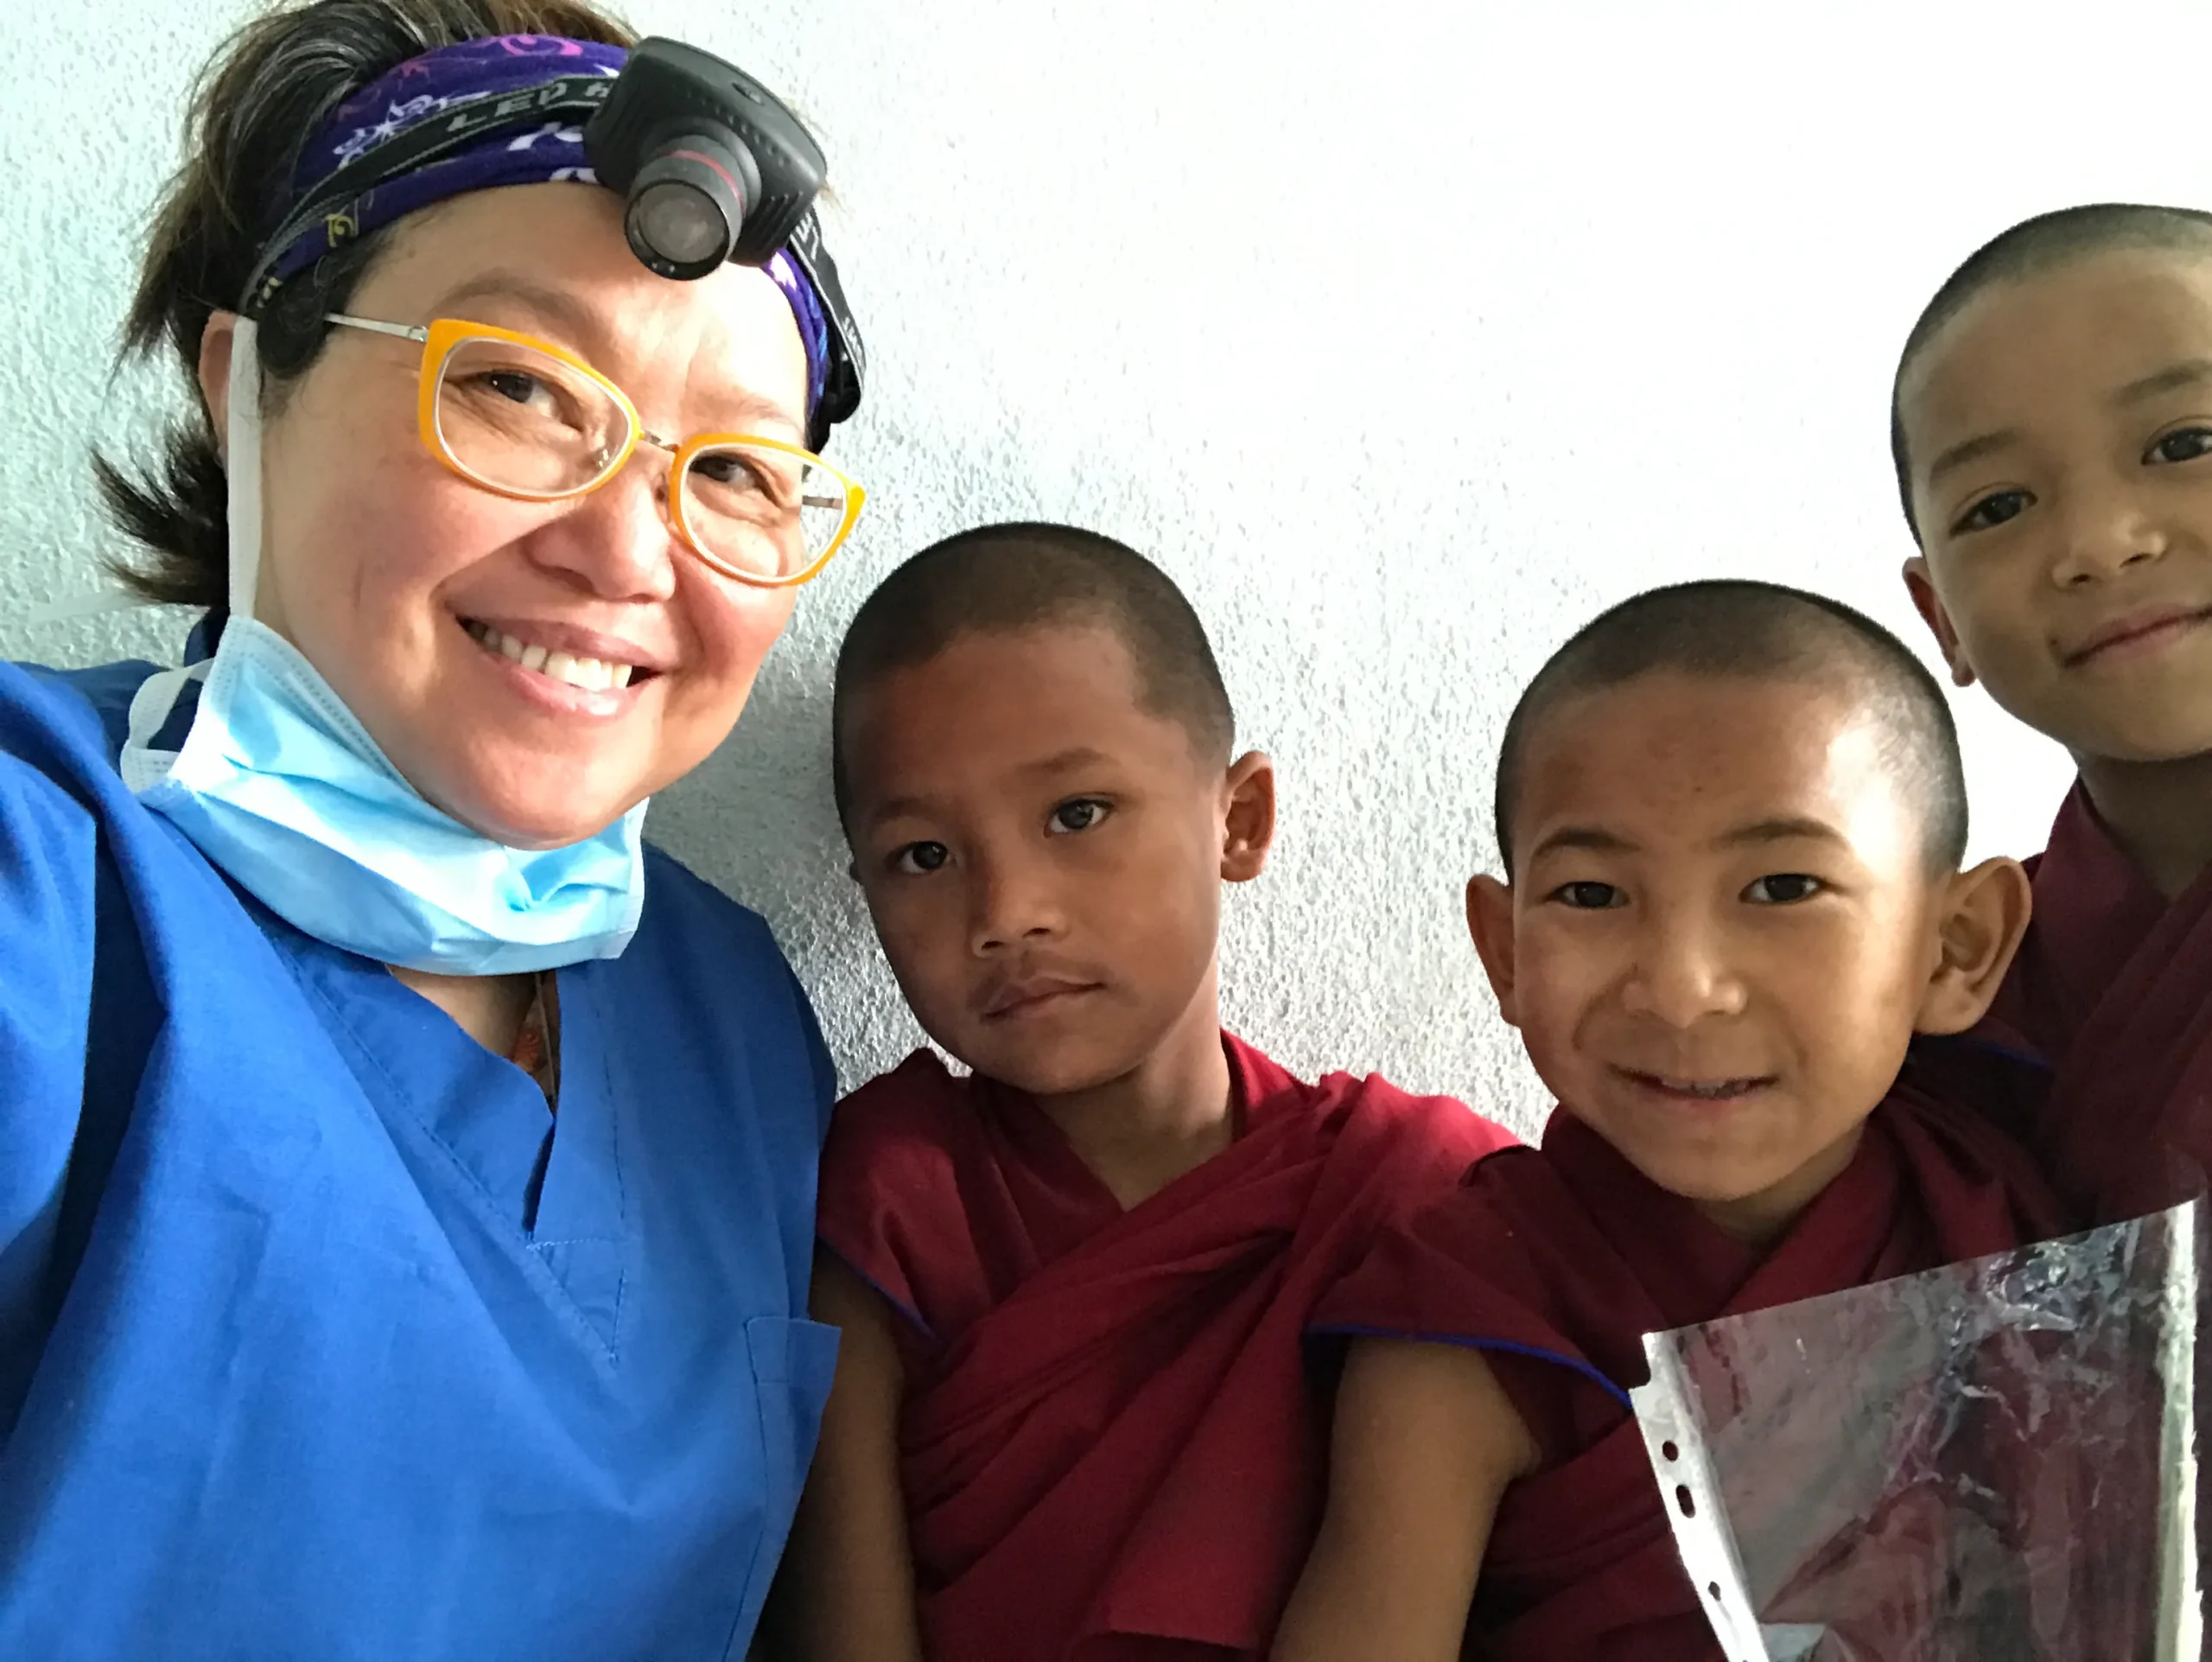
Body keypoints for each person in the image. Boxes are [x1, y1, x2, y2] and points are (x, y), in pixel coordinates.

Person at [0, 3, 869, 1657]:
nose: (629, 553)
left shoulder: (735, 1018)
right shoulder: (50, 882)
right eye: (522, 388)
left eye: (742, 474)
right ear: (247, 380)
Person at [1268, 580, 2077, 1661]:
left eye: (1782, 885)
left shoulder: (2014, 1214)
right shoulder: (1472, 1332)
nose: (1683, 988)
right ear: (1504, 953)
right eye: (1594, 896)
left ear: (1955, 948)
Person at [761, 523, 1513, 1662]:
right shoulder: (887, 1195)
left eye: (1077, 813)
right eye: (923, 853)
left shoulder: (1414, 1196)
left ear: (1240, 820)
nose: (1006, 907)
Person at [1891, 202, 2212, 1225]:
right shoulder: (1948, 999)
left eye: (2183, 442)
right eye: (1997, 507)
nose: (2101, 542)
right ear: (1941, 620)